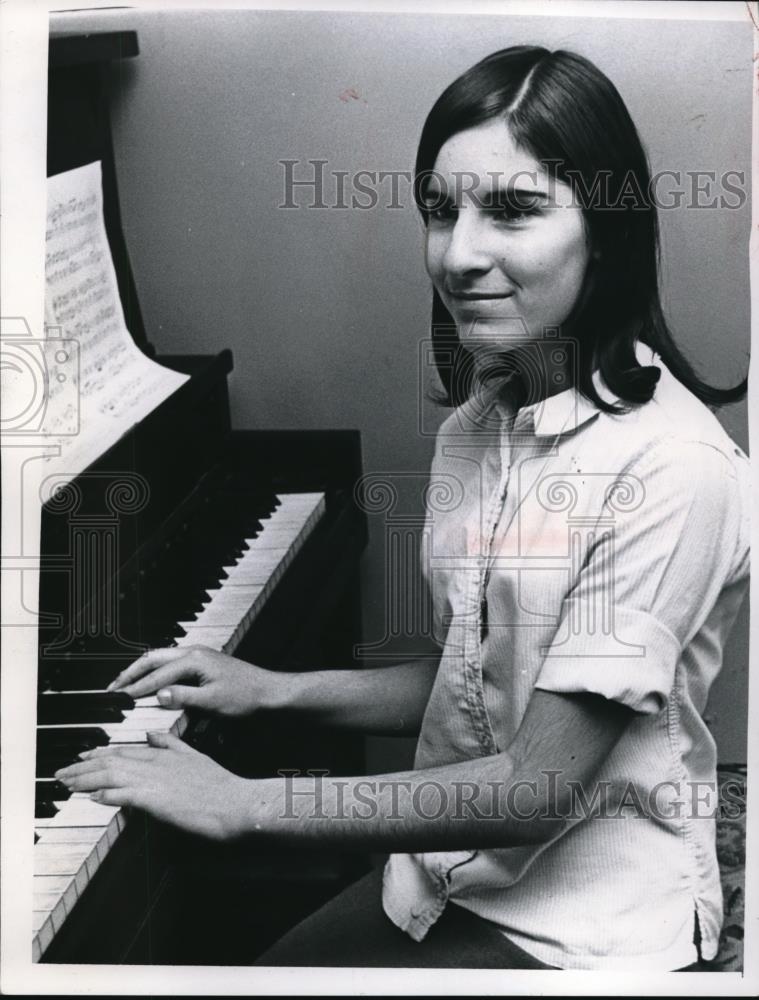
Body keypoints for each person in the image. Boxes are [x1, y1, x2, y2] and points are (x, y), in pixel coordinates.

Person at [56, 46, 750, 971]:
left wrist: (249, 803)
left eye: (511, 210)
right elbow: (479, 676)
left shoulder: (675, 468)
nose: (459, 256)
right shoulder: (479, 424)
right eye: (439, 210)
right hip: (441, 876)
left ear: (608, 231)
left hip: (586, 929)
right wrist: (272, 692)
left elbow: (536, 786)